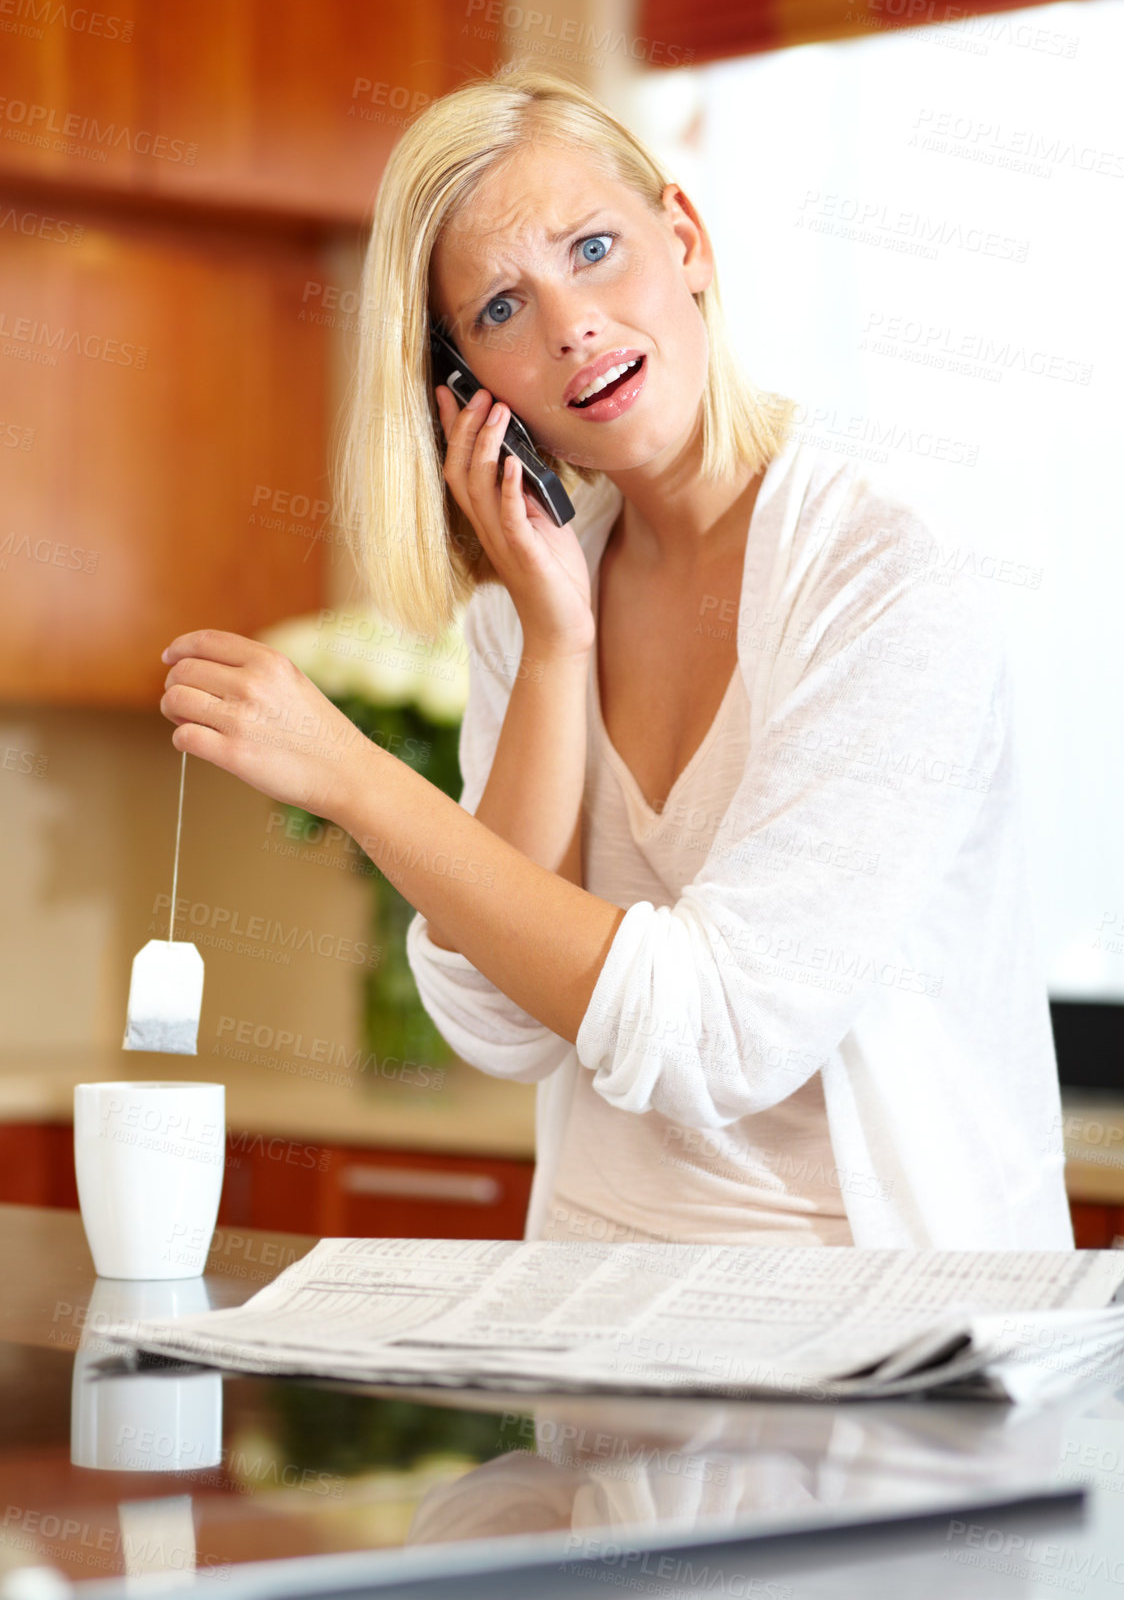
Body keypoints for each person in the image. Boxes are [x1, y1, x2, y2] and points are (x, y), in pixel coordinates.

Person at [159, 62, 1072, 1250]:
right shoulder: (525, 611)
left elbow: (721, 1031)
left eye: (592, 248)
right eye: (498, 310)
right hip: (598, 1320)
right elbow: (500, 1019)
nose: (568, 322)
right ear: (464, 391)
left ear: (682, 235)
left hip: (886, 1334)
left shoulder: (877, 580)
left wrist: (356, 779)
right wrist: (553, 645)